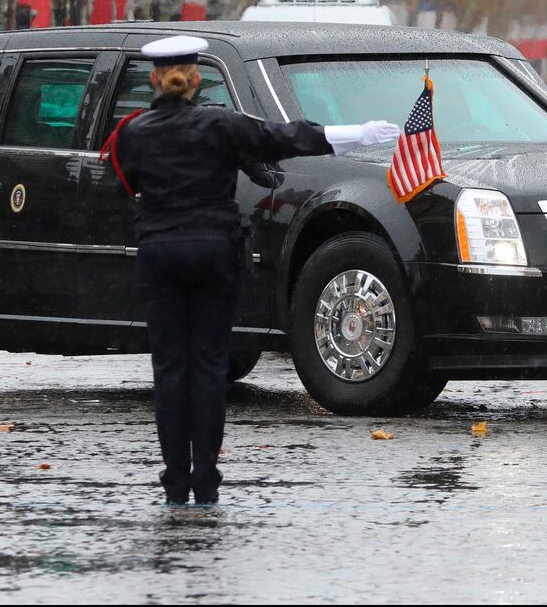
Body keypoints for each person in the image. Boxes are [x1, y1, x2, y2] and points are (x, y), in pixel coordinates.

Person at [104, 35, 400, 506]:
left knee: (170, 369)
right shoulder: (223, 125)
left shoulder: (132, 133)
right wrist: (359, 132)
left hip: (160, 255)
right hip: (214, 254)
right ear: (196, 79)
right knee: (208, 367)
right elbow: (288, 138)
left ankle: (175, 482)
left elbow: (123, 183)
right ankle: (207, 481)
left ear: (154, 80)